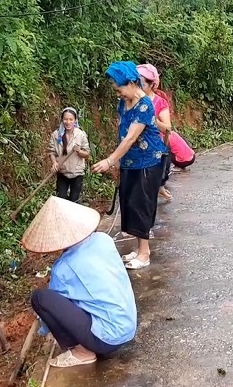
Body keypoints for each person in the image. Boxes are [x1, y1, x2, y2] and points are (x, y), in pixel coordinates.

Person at [24, 197, 137, 368]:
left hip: (106, 339)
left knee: (40, 298)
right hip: (127, 326)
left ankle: (82, 352)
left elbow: (55, 308)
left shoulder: (63, 268)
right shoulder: (103, 239)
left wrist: (44, 326)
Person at [92, 61, 167, 270]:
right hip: (130, 161)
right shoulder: (123, 103)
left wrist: (110, 160)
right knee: (130, 205)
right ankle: (139, 248)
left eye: (120, 90)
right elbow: (122, 134)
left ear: (132, 82)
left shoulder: (145, 106)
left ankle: (145, 253)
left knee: (141, 205)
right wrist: (119, 162)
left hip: (148, 162)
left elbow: (131, 138)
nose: (118, 94)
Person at [137, 64, 174, 202]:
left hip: (155, 146)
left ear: (152, 84)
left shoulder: (160, 102)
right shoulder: (131, 100)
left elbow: (167, 129)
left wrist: (151, 119)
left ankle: (159, 187)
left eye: (142, 83)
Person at [50, 107, 91, 203]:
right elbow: (51, 152)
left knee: (74, 201)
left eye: (71, 119)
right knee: (60, 200)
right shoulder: (56, 135)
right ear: (62, 120)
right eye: (65, 119)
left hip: (77, 173)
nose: (68, 122)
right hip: (62, 172)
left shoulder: (80, 135)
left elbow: (87, 154)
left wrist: (79, 151)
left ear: (75, 120)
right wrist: (54, 163)